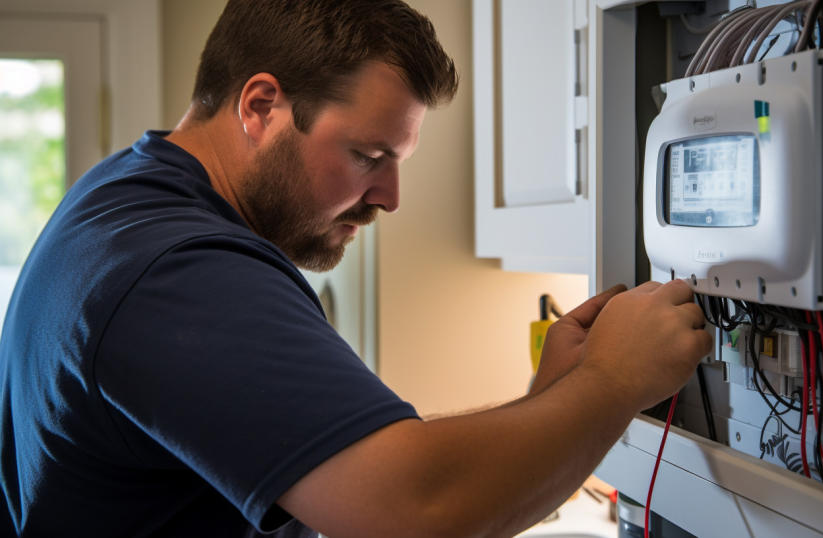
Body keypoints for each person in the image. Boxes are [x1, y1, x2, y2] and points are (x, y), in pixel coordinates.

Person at [0, 0, 712, 536]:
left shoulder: (126, 195)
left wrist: (553, 398)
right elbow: (410, 508)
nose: (388, 197)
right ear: (261, 107)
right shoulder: (180, 272)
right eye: (369, 157)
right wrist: (613, 380)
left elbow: (357, 465)